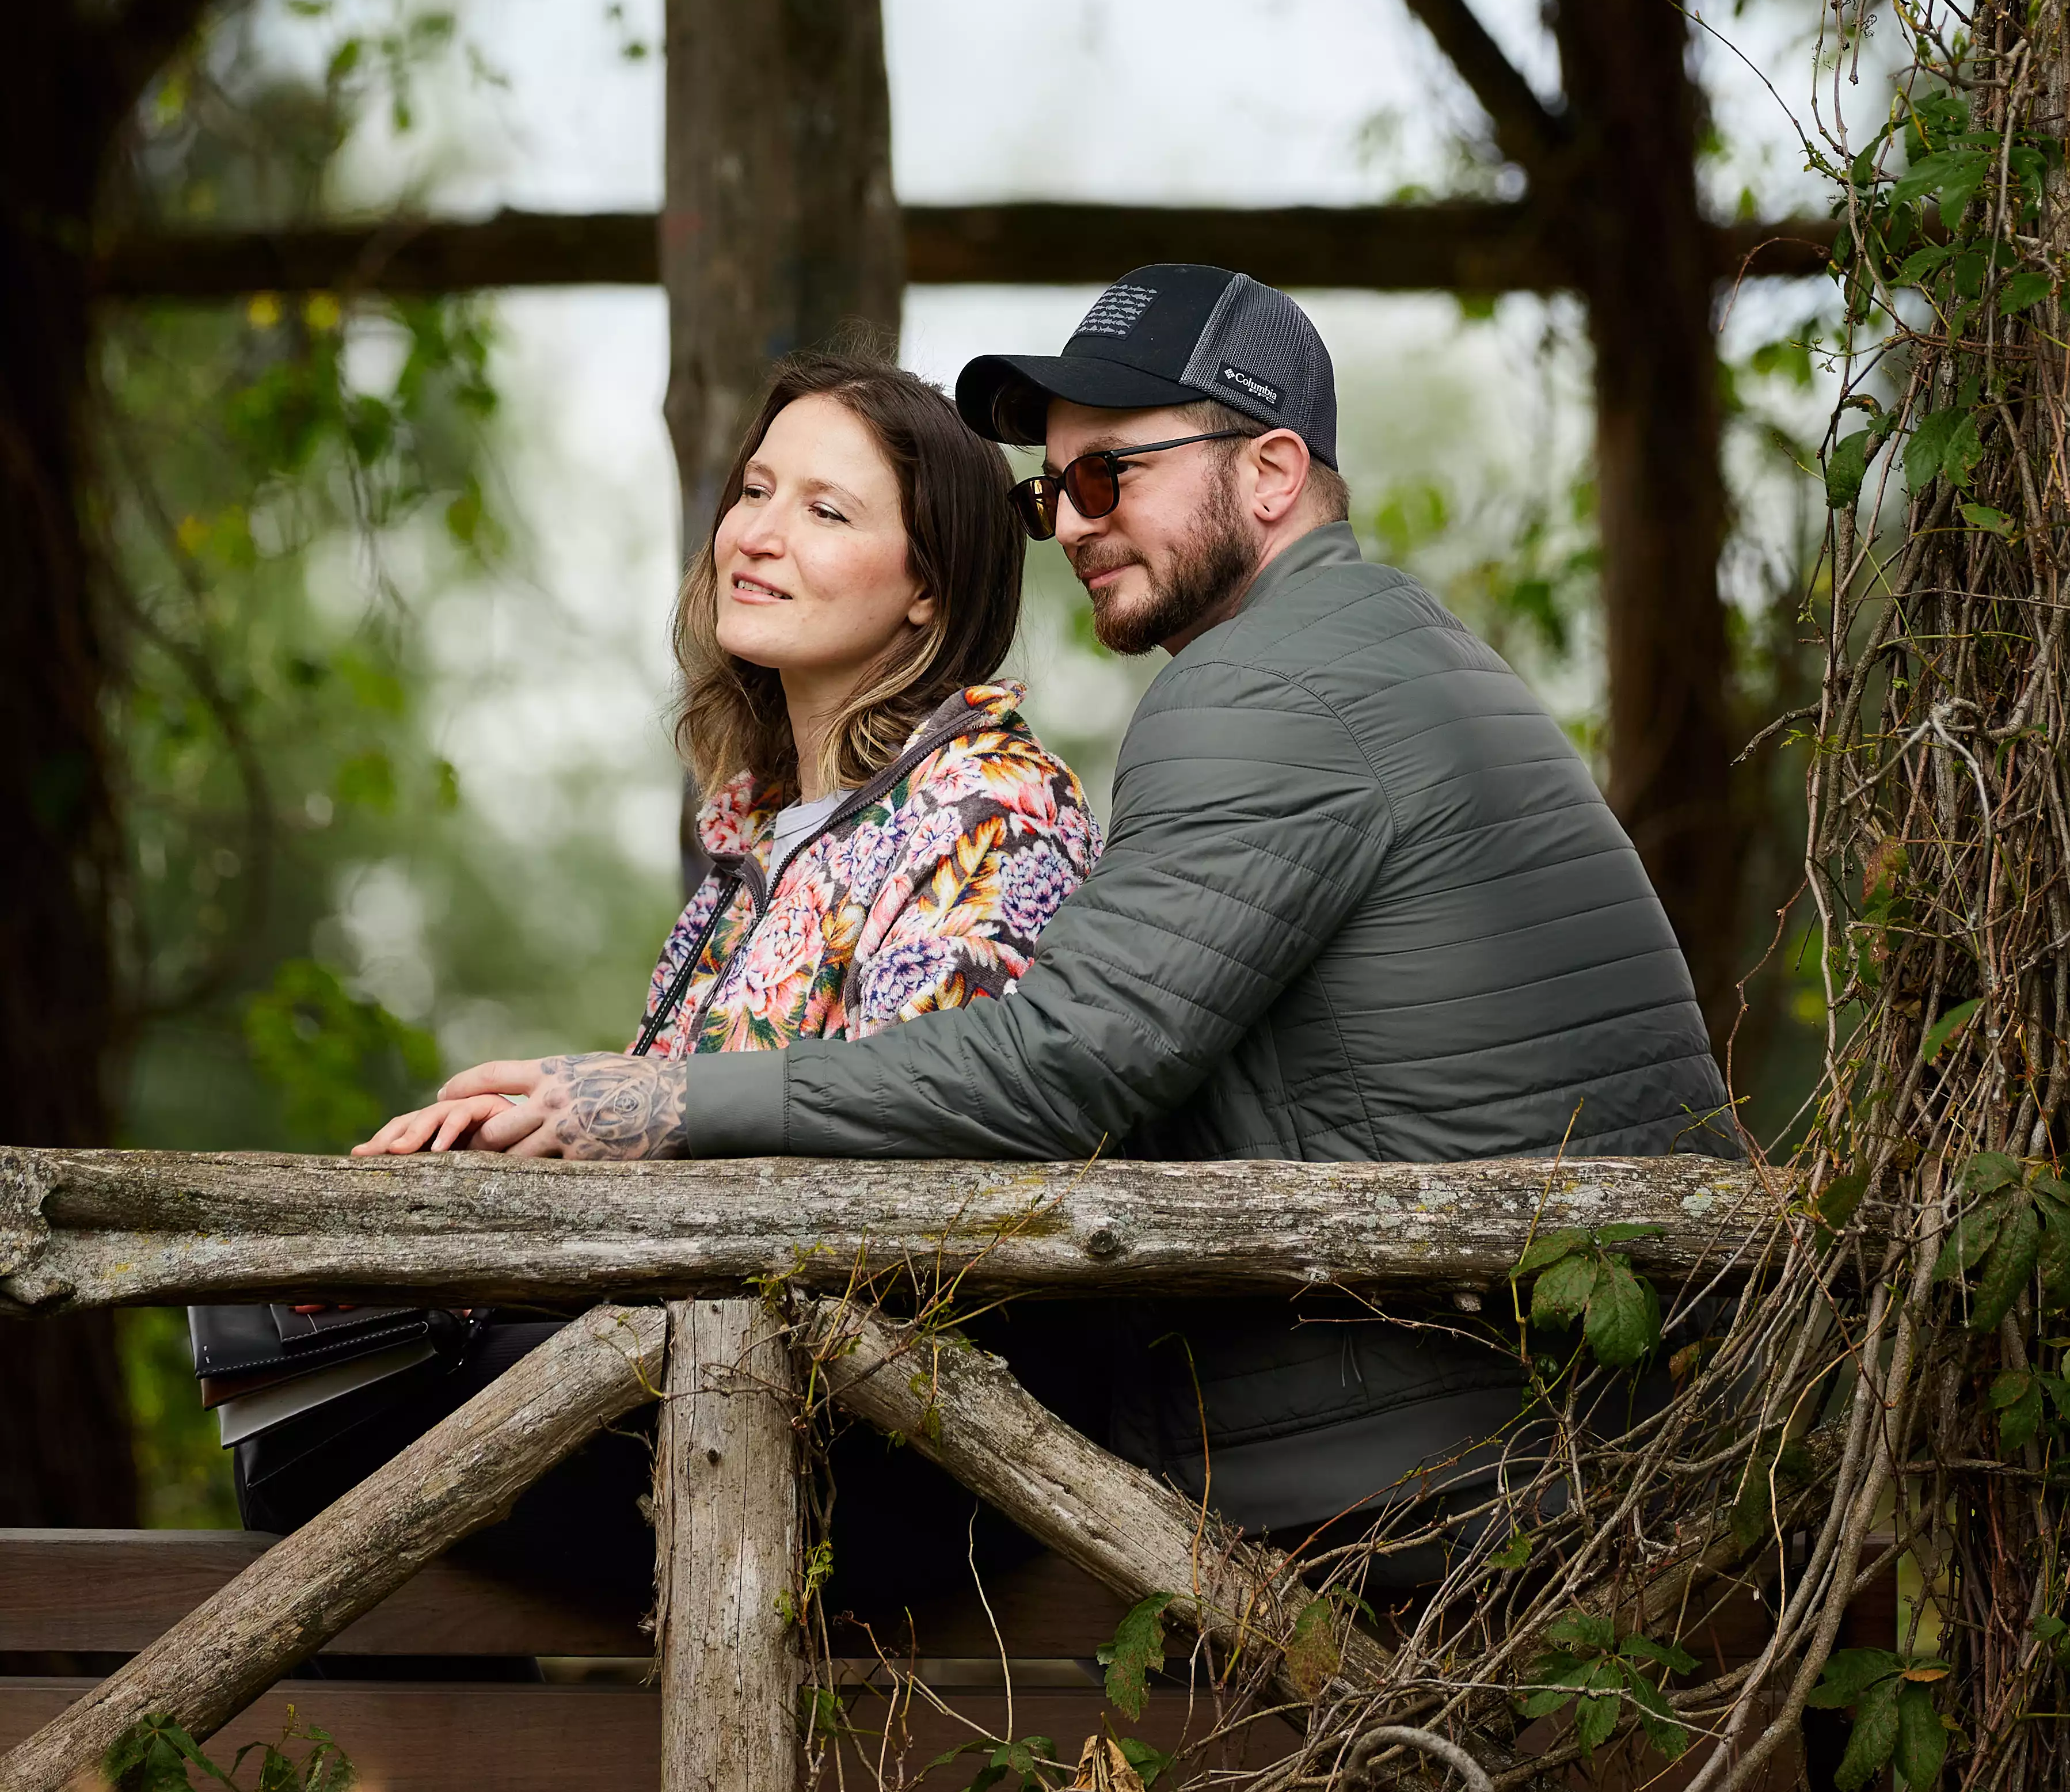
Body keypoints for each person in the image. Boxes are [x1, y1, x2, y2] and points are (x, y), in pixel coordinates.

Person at [418, 266, 1738, 1561]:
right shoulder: (1379, 649)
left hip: (1441, 1462)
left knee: (404, 1443)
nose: (1078, 524)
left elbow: (1071, 1062)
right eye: (1055, 493)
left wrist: (662, 1106)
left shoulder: (1256, 692)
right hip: (1551, 1415)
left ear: (1270, 474)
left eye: (1112, 477)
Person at [242, 352, 1099, 1617]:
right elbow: (680, 1139)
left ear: (930, 590)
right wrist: (512, 1143)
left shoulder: (992, 805)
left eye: (826, 510)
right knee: (302, 1389)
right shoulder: (755, 844)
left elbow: (931, 1142)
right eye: (754, 490)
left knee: (326, 1435)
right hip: (717, 1371)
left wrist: (614, 1129)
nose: (754, 534)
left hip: (889, 1433)